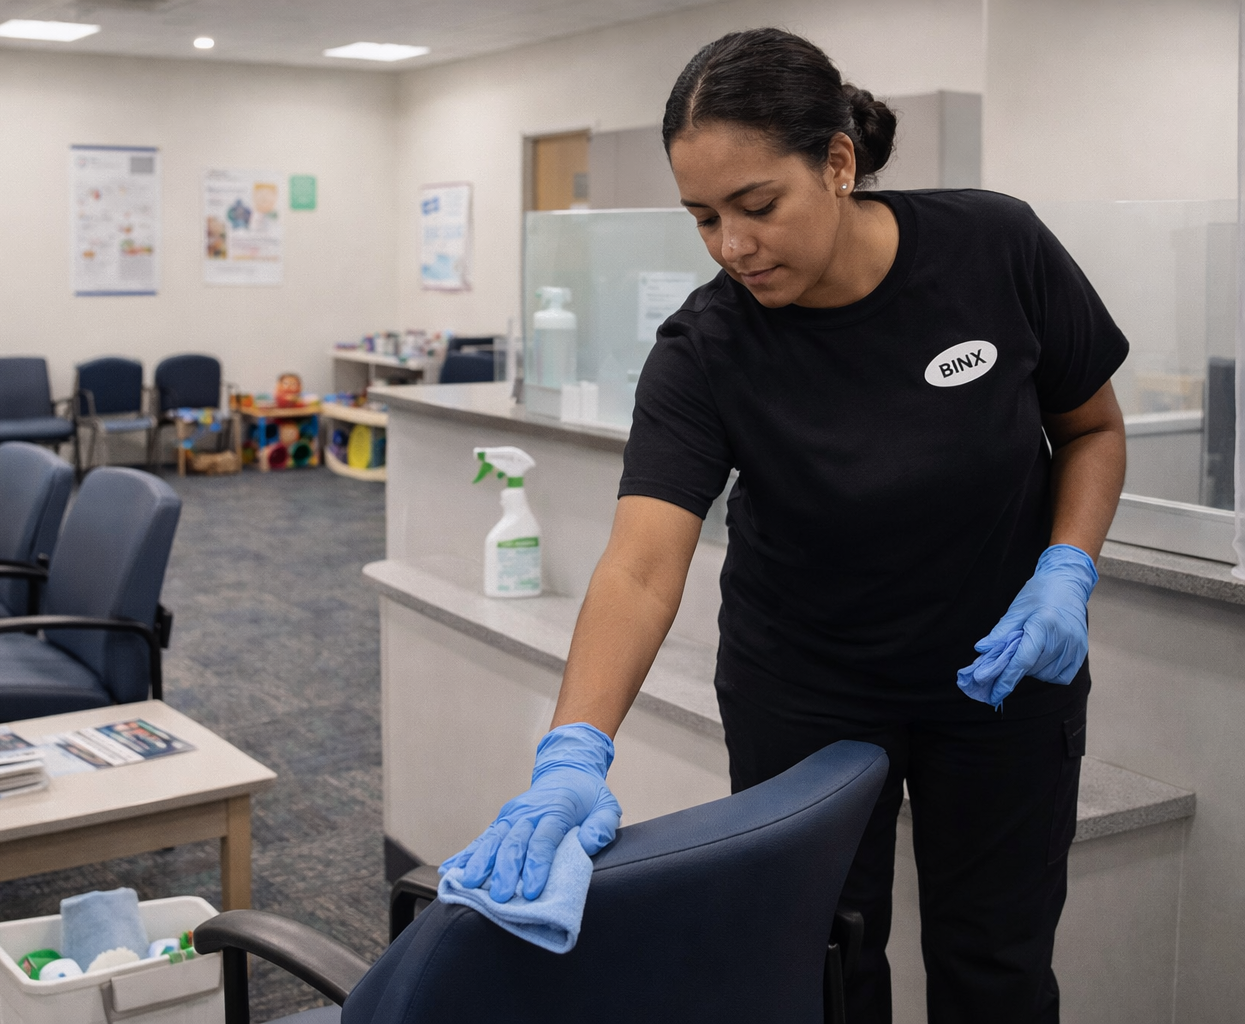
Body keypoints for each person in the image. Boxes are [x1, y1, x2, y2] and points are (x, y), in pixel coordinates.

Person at [440, 27, 1127, 1024]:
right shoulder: (705, 349)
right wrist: (573, 752)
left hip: (1005, 674)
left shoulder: (995, 248)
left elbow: (1094, 428)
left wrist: (1067, 570)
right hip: (807, 687)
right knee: (821, 967)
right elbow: (640, 566)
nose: (732, 246)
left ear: (839, 163)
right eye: (703, 217)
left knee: (999, 965)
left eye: (757, 206)